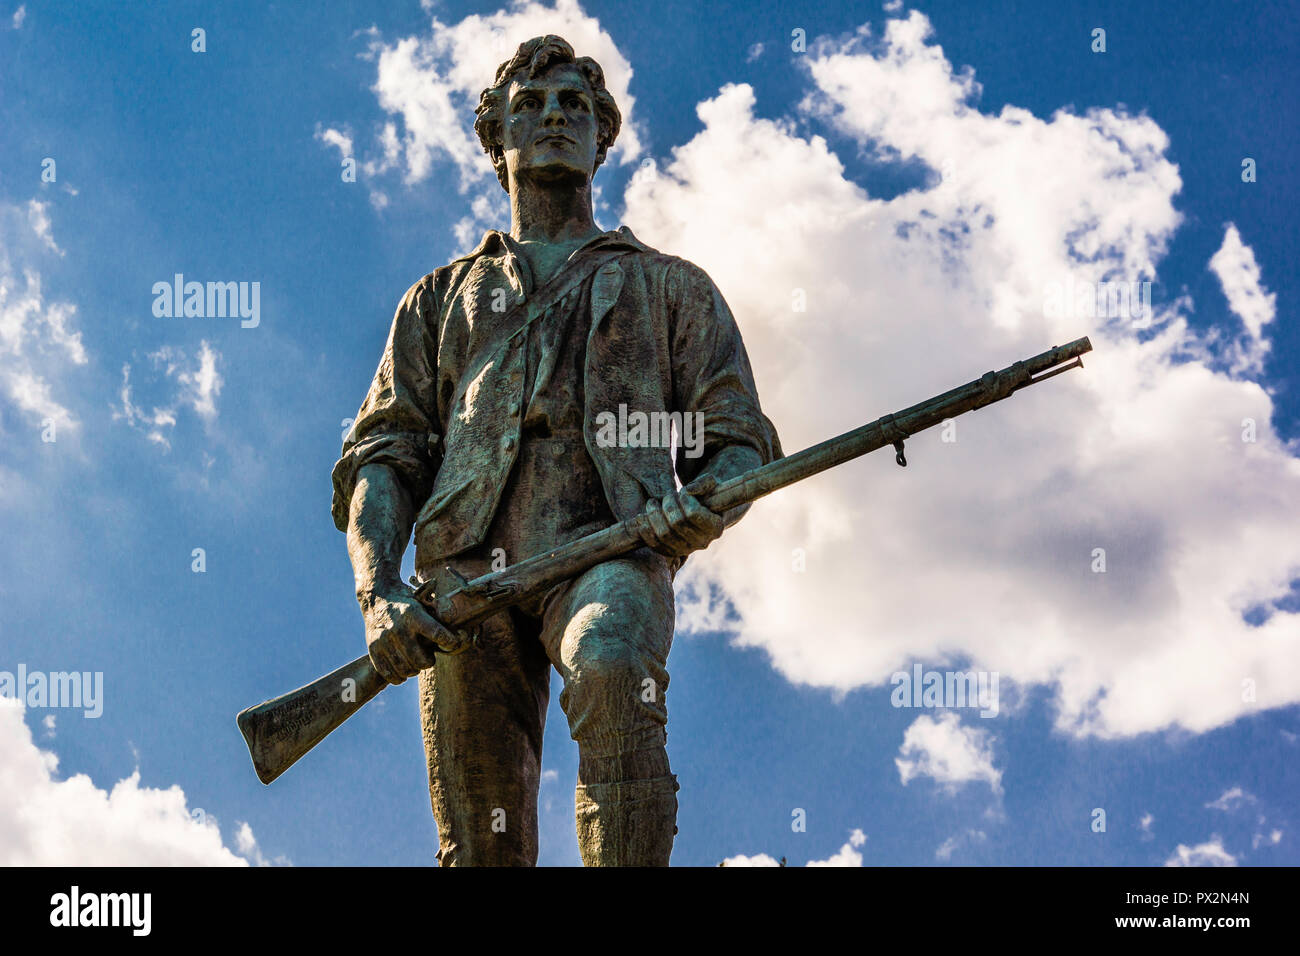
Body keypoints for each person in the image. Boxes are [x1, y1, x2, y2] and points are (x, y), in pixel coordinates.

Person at [332, 34, 781, 866]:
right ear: (496, 138)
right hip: (463, 581)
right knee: (481, 836)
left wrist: (705, 494)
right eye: (532, 106)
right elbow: (383, 454)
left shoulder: (670, 286)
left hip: (609, 548)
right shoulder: (438, 300)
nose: (555, 118)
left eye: (576, 105)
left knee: (612, 667)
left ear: (602, 137)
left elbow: (736, 436)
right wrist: (378, 592)